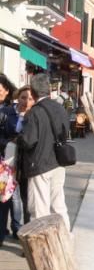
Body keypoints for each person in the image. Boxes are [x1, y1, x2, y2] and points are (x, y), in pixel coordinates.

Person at [17, 74, 71, 231]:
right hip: (59, 163)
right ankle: (65, 239)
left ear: (33, 93)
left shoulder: (35, 112)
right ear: (48, 90)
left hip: (39, 164)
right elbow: (66, 133)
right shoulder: (60, 108)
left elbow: (28, 141)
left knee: (39, 210)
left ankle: (42, 250)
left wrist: (17, 138)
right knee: (58, 206)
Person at [11, 86, 35, 236]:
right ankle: (11, 229)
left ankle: (25, 235)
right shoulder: (8, 112)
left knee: (27, 202)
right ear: (17, 97)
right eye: (23, 97)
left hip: (26, 165)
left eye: (30, 98)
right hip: (8, 164)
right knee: (9, 199)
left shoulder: (35, 116)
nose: (26, 101)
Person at [0, 75, 17, 246]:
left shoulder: (11, 111)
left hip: (3, 162)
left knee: (3, 199)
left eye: (1, 89)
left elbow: (13, 136)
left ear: (7, 90)